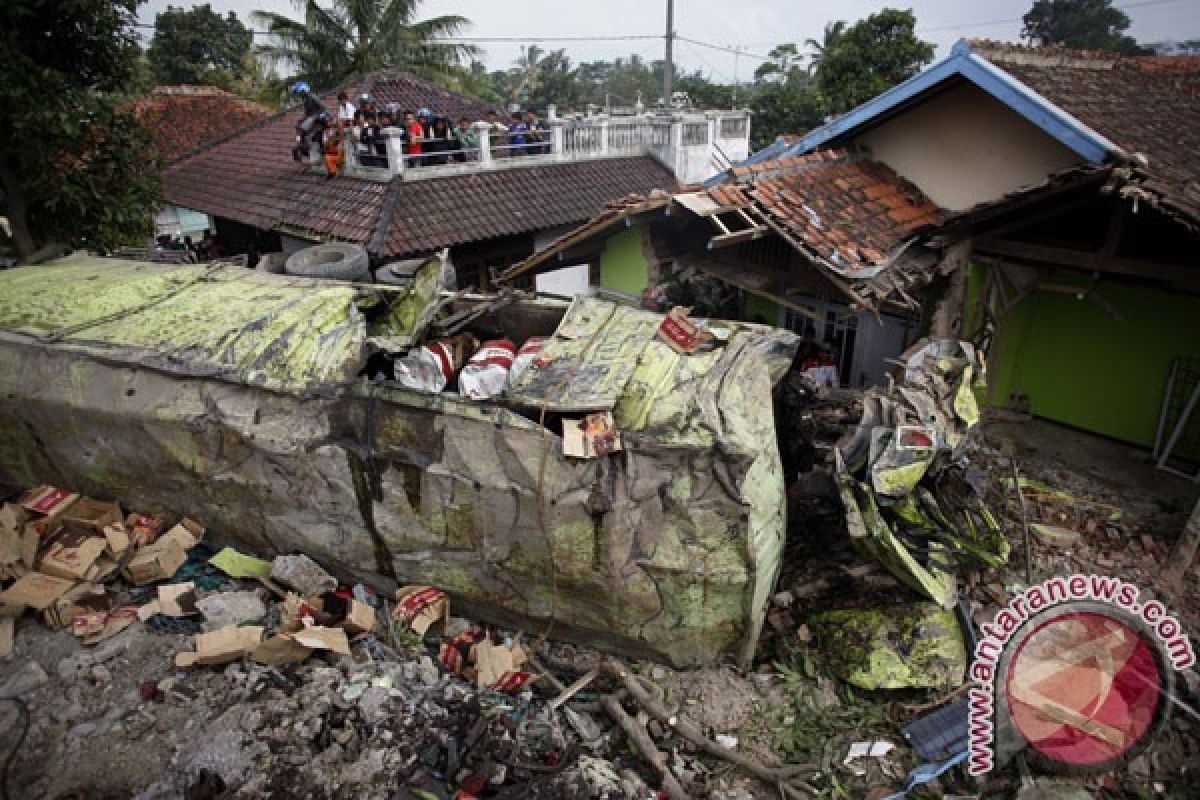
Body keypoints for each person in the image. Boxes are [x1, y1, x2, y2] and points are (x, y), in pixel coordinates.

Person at [291, 81, 328, 162]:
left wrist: (323, 116)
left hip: (318, 119)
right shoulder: (306, 100)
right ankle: (302, 146)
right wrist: (301, 120)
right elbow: (307, 114)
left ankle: (305, 146)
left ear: (304, 91)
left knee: (302, 128)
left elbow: (324, 108)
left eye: (300, 93)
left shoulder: (312, 97)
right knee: (299, 127)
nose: (299, 95)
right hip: (312, 118)